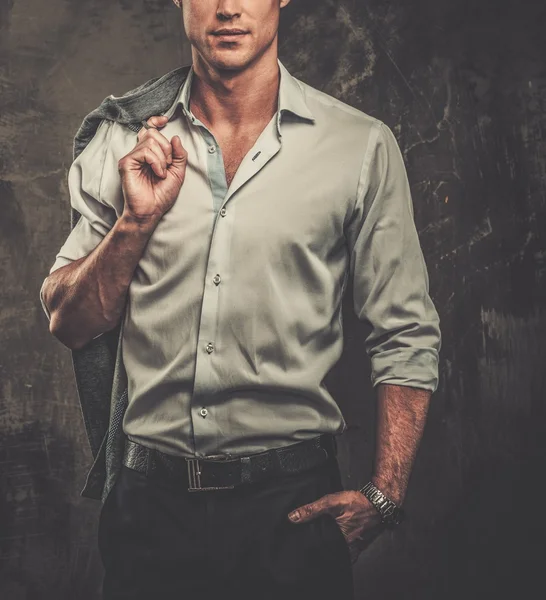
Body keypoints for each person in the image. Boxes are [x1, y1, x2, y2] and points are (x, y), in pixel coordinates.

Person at [40, 1, 441, 598]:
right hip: (149, 511)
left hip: (292, 512)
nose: (228, 7)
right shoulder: (126, 142)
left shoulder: (359, 147)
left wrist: (385, 494)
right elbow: (68, 322)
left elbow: (404, 333)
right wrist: (135, 222)